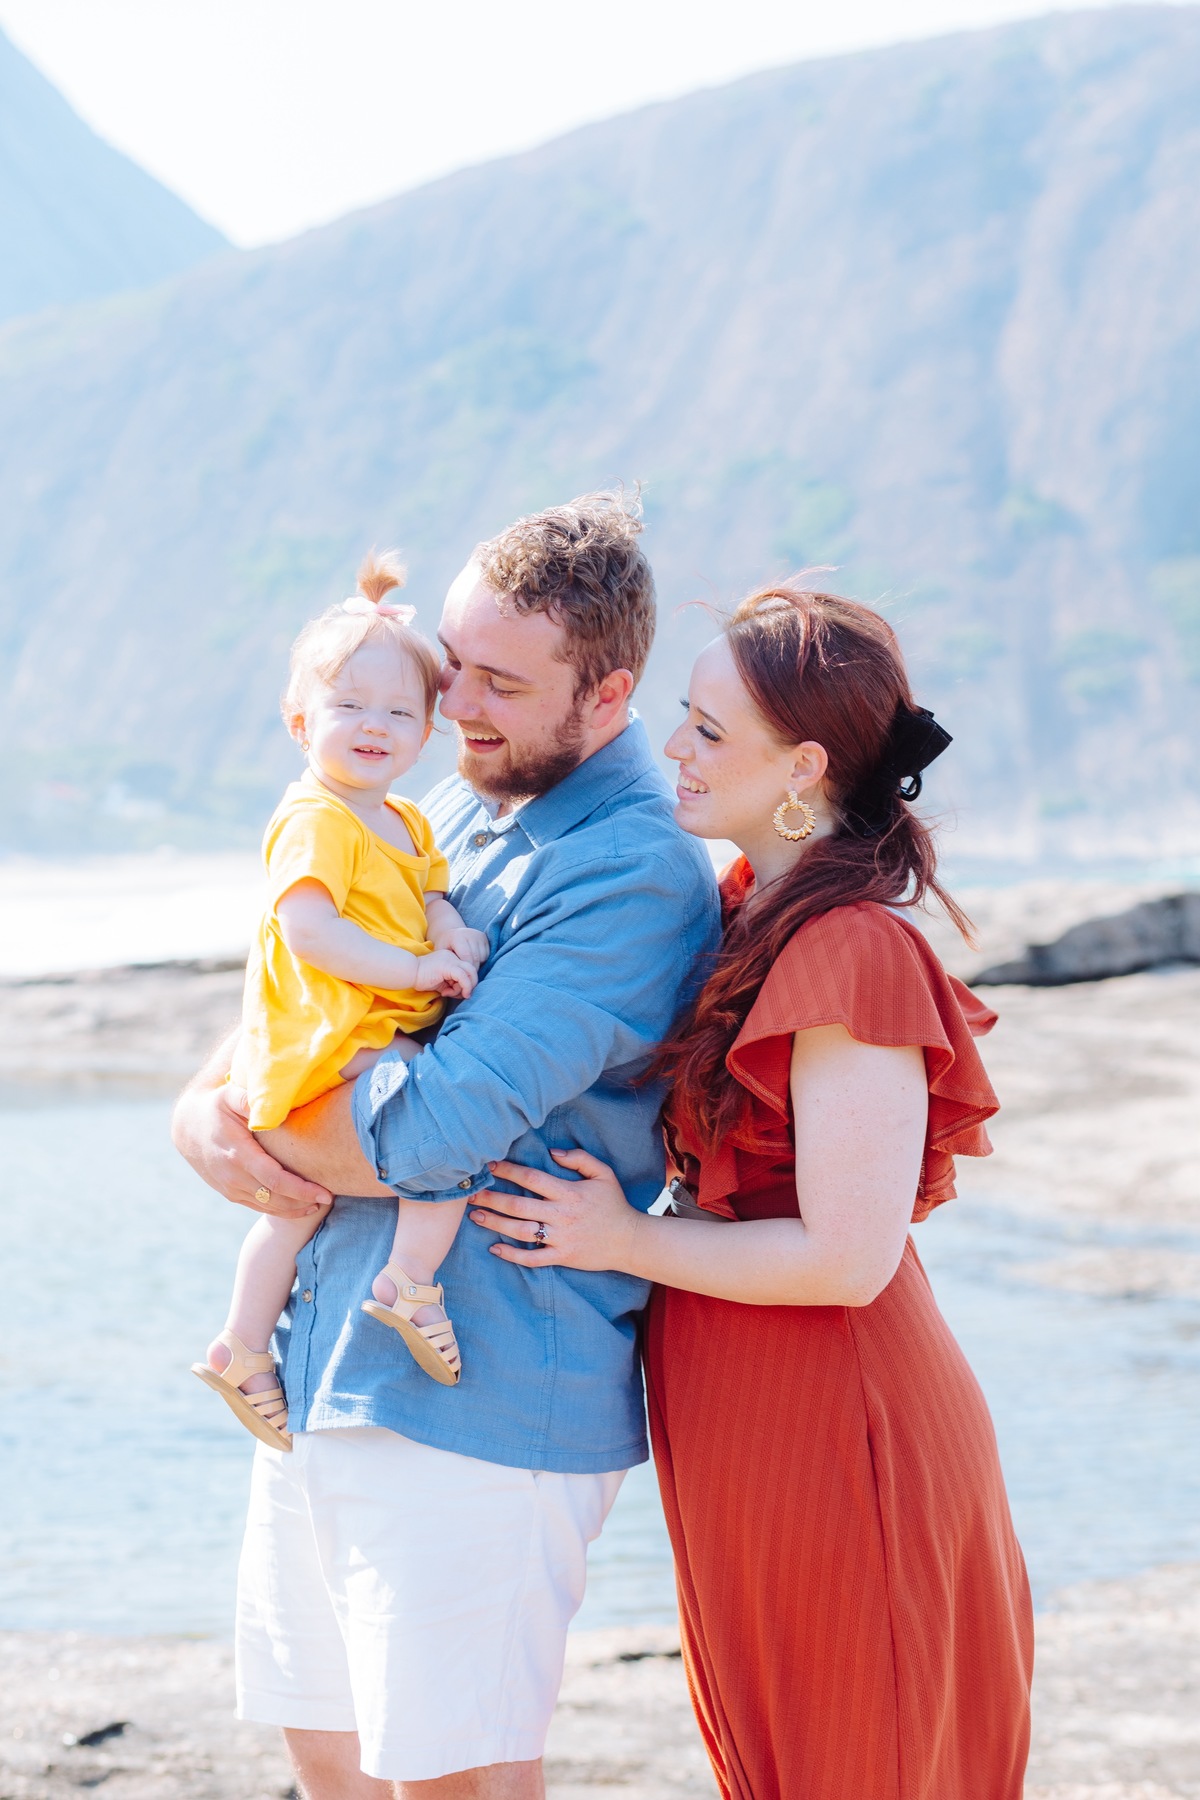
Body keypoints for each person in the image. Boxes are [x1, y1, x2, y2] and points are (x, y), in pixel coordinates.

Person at [171, 493, 721, 1799]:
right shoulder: (465, 801)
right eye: (452, 667)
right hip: (332, 1367)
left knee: (452, 1784)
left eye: (499, 684)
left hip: (482, 1397)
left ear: (607, 694)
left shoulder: (632, 869)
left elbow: (433, 1129)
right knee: (331, 1763)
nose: (452, 706)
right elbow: (303, 1004)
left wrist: (263, 1120)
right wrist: (203, 1107)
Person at [470, 586, 1035, 1800]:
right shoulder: (741, 913)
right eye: (685, 717)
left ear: (806, 766)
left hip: (839, 1416)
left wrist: (618, 1236)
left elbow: (846, 1258)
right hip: (742, 1411)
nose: (674, 746)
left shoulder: (851, 951)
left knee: (858, 1754)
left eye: (710, 731)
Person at [194, 555, 490, 1447]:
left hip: (360, 1031)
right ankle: (407, 1281)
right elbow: (312, 932)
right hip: (331, 1038)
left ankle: (243, 1345)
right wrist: (413, 972)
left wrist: (452, 933)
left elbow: (432, 890)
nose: (375, 726)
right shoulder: (314, 819)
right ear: (299, 722)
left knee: (299, 1204)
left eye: (401, 712)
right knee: (445, 1128)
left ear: (429, 729)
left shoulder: (406, 820)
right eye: (350, 707)